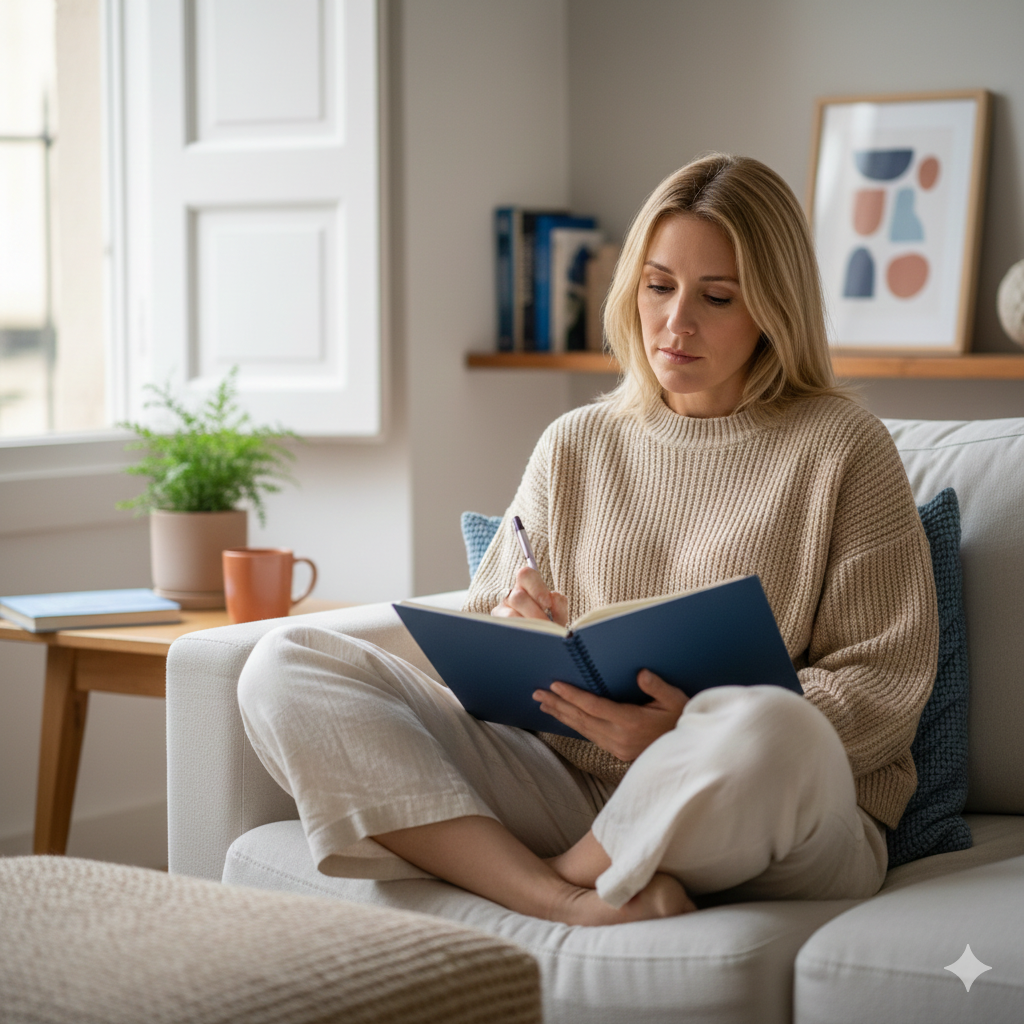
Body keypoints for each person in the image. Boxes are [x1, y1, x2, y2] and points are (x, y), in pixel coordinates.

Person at [239, 153, 939, 926]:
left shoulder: (844, 446)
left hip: (767, 808)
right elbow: (476, 648)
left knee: (773, 724)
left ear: (774, 309)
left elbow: (885, 685)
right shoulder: (576, 442)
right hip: (569, 781)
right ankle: (557, 897)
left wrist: (687, 732)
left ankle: (562, 874)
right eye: (658, 286)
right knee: (282, 663)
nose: (677, 322)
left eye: (717, 297)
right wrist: (513, 627)